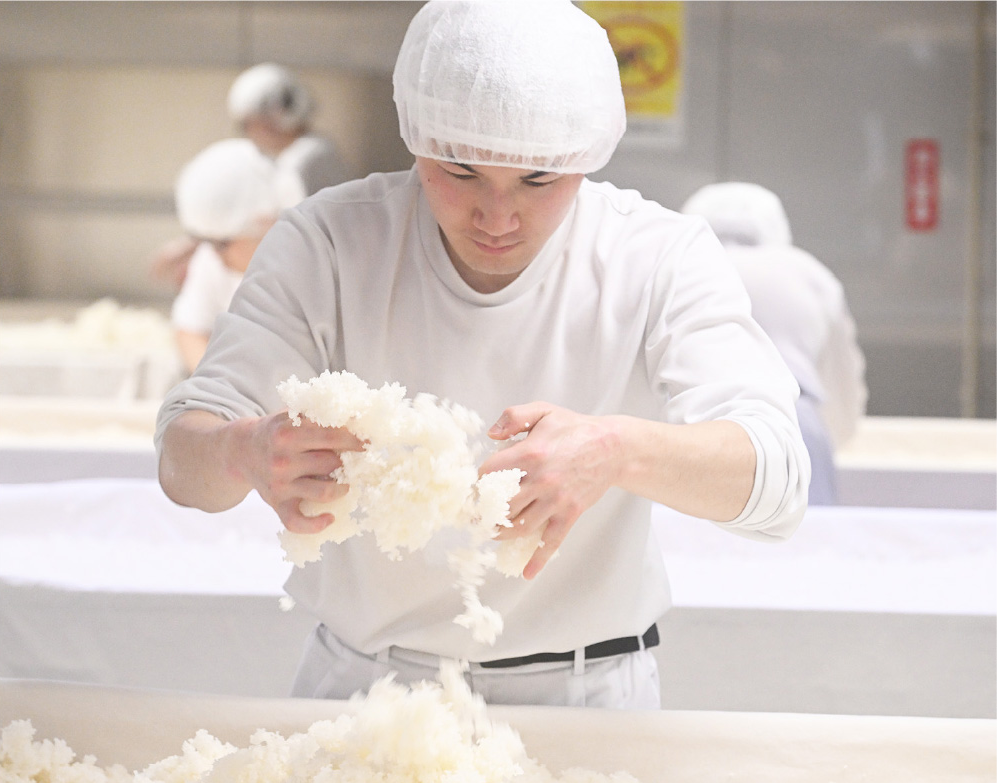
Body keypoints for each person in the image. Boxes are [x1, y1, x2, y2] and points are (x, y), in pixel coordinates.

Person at [156, 0, 810, 710]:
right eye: (460, 172)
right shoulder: (329, 243)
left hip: (585, 696)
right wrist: (241, 450)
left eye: (538, 180)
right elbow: (183, 455)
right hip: (363, 692)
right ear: (417, 140)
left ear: (586, 160)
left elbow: (775, 482)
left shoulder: (655, 257)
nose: (496, 217)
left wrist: (615, 449)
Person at [681, 182, 867, 505]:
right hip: (794, 421)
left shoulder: (678, 267)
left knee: (691, 549)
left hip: (689, 424)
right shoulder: (809, 273)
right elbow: (841, 385)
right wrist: (829, 436)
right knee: (807, 547)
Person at [150, 64, 351, 290]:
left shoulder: (306, 159)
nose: (252, 132)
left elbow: (281, 229)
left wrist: (207, 242)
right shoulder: (297, 155)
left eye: (252, 123)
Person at [170, 138, 304, 373]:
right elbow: (190, 328)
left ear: (265, 223)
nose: (214, 253)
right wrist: (214, 384)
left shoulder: (314, 264)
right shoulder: (212, 259)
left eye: (222, 243)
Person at [227, 62, 353, 199]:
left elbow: (298, 217)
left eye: (250, 124)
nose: (250, 134)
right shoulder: (318, 148)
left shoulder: (304, 157)